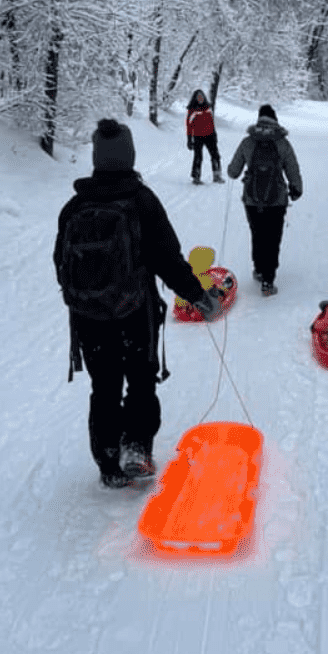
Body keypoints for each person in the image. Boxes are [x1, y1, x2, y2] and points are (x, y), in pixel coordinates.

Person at [54, 119, 221, 489]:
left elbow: (60, 266)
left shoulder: (74, 207)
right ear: (129, 154)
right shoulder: (141, 201)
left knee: (105, 386)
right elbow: (168, 259)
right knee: (141, 382)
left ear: (96, 156)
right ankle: (135, 449)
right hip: (134, 312)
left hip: (89, 319)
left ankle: (108, 463)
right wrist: (199, 297)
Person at [227, 103, 302, 296]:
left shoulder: (248, 141)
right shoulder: (282, 142)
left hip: (252, 199)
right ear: (275, 120)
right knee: (273, 237)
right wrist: (296, 188)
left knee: (257, 233)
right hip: (277, 199)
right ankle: (268, 280)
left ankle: (259, 269)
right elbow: (292, 168)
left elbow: (233, 172)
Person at [186, 89, 224, 184]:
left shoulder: (208, 108)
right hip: (198, 137)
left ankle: (217, 176)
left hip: (210, 136)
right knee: (198, 157)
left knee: (215, 155)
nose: (200, 98)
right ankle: (196, 178)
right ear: (195, 98)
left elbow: (211, 122)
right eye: (198, 97)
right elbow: (189, 126)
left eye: (202, 96)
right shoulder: (192, 111)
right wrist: (189, 140)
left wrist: (214, 134)